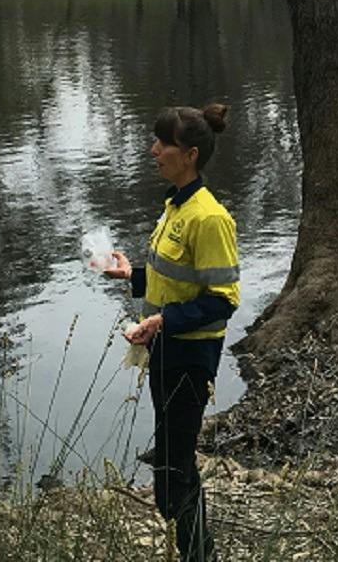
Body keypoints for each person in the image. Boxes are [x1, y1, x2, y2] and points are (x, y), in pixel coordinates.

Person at [97, 103, 240, 562]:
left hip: (189, 358)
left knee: (175, 470)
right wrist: (131, 276)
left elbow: (223, 299)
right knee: (168, 466)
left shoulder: (210, 218)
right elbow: (175, 279)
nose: (154, 150)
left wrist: (163, 322)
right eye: (156, 141)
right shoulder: (175, 206)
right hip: (163, 350)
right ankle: (191, 550)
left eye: (164, 144)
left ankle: (199, 555)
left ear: (190, 154)